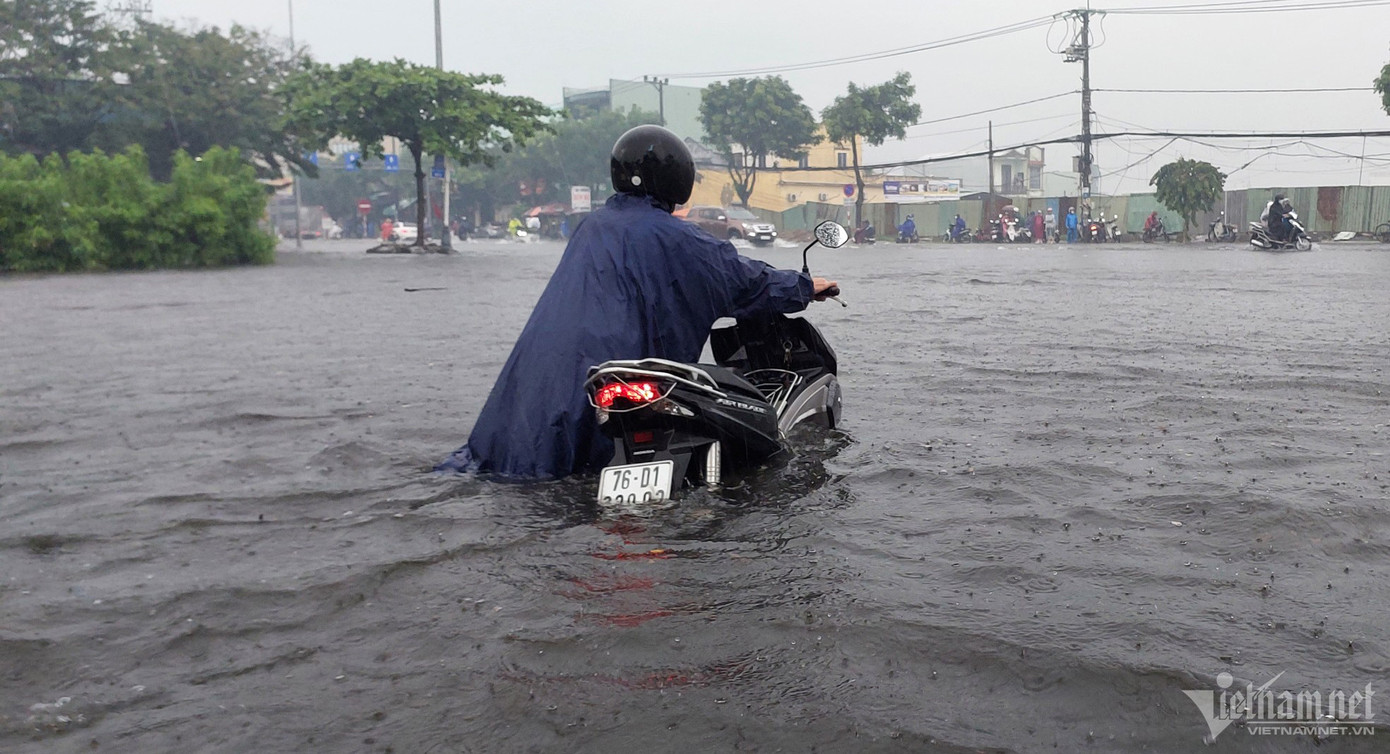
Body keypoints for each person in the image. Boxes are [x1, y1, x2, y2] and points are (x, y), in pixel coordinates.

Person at [438, 125, 838, 479]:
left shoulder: (592, 227)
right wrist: (804, 287)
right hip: (625, 379)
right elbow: (742, 279)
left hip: (545, 382)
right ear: (678, 180)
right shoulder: (680, 239)